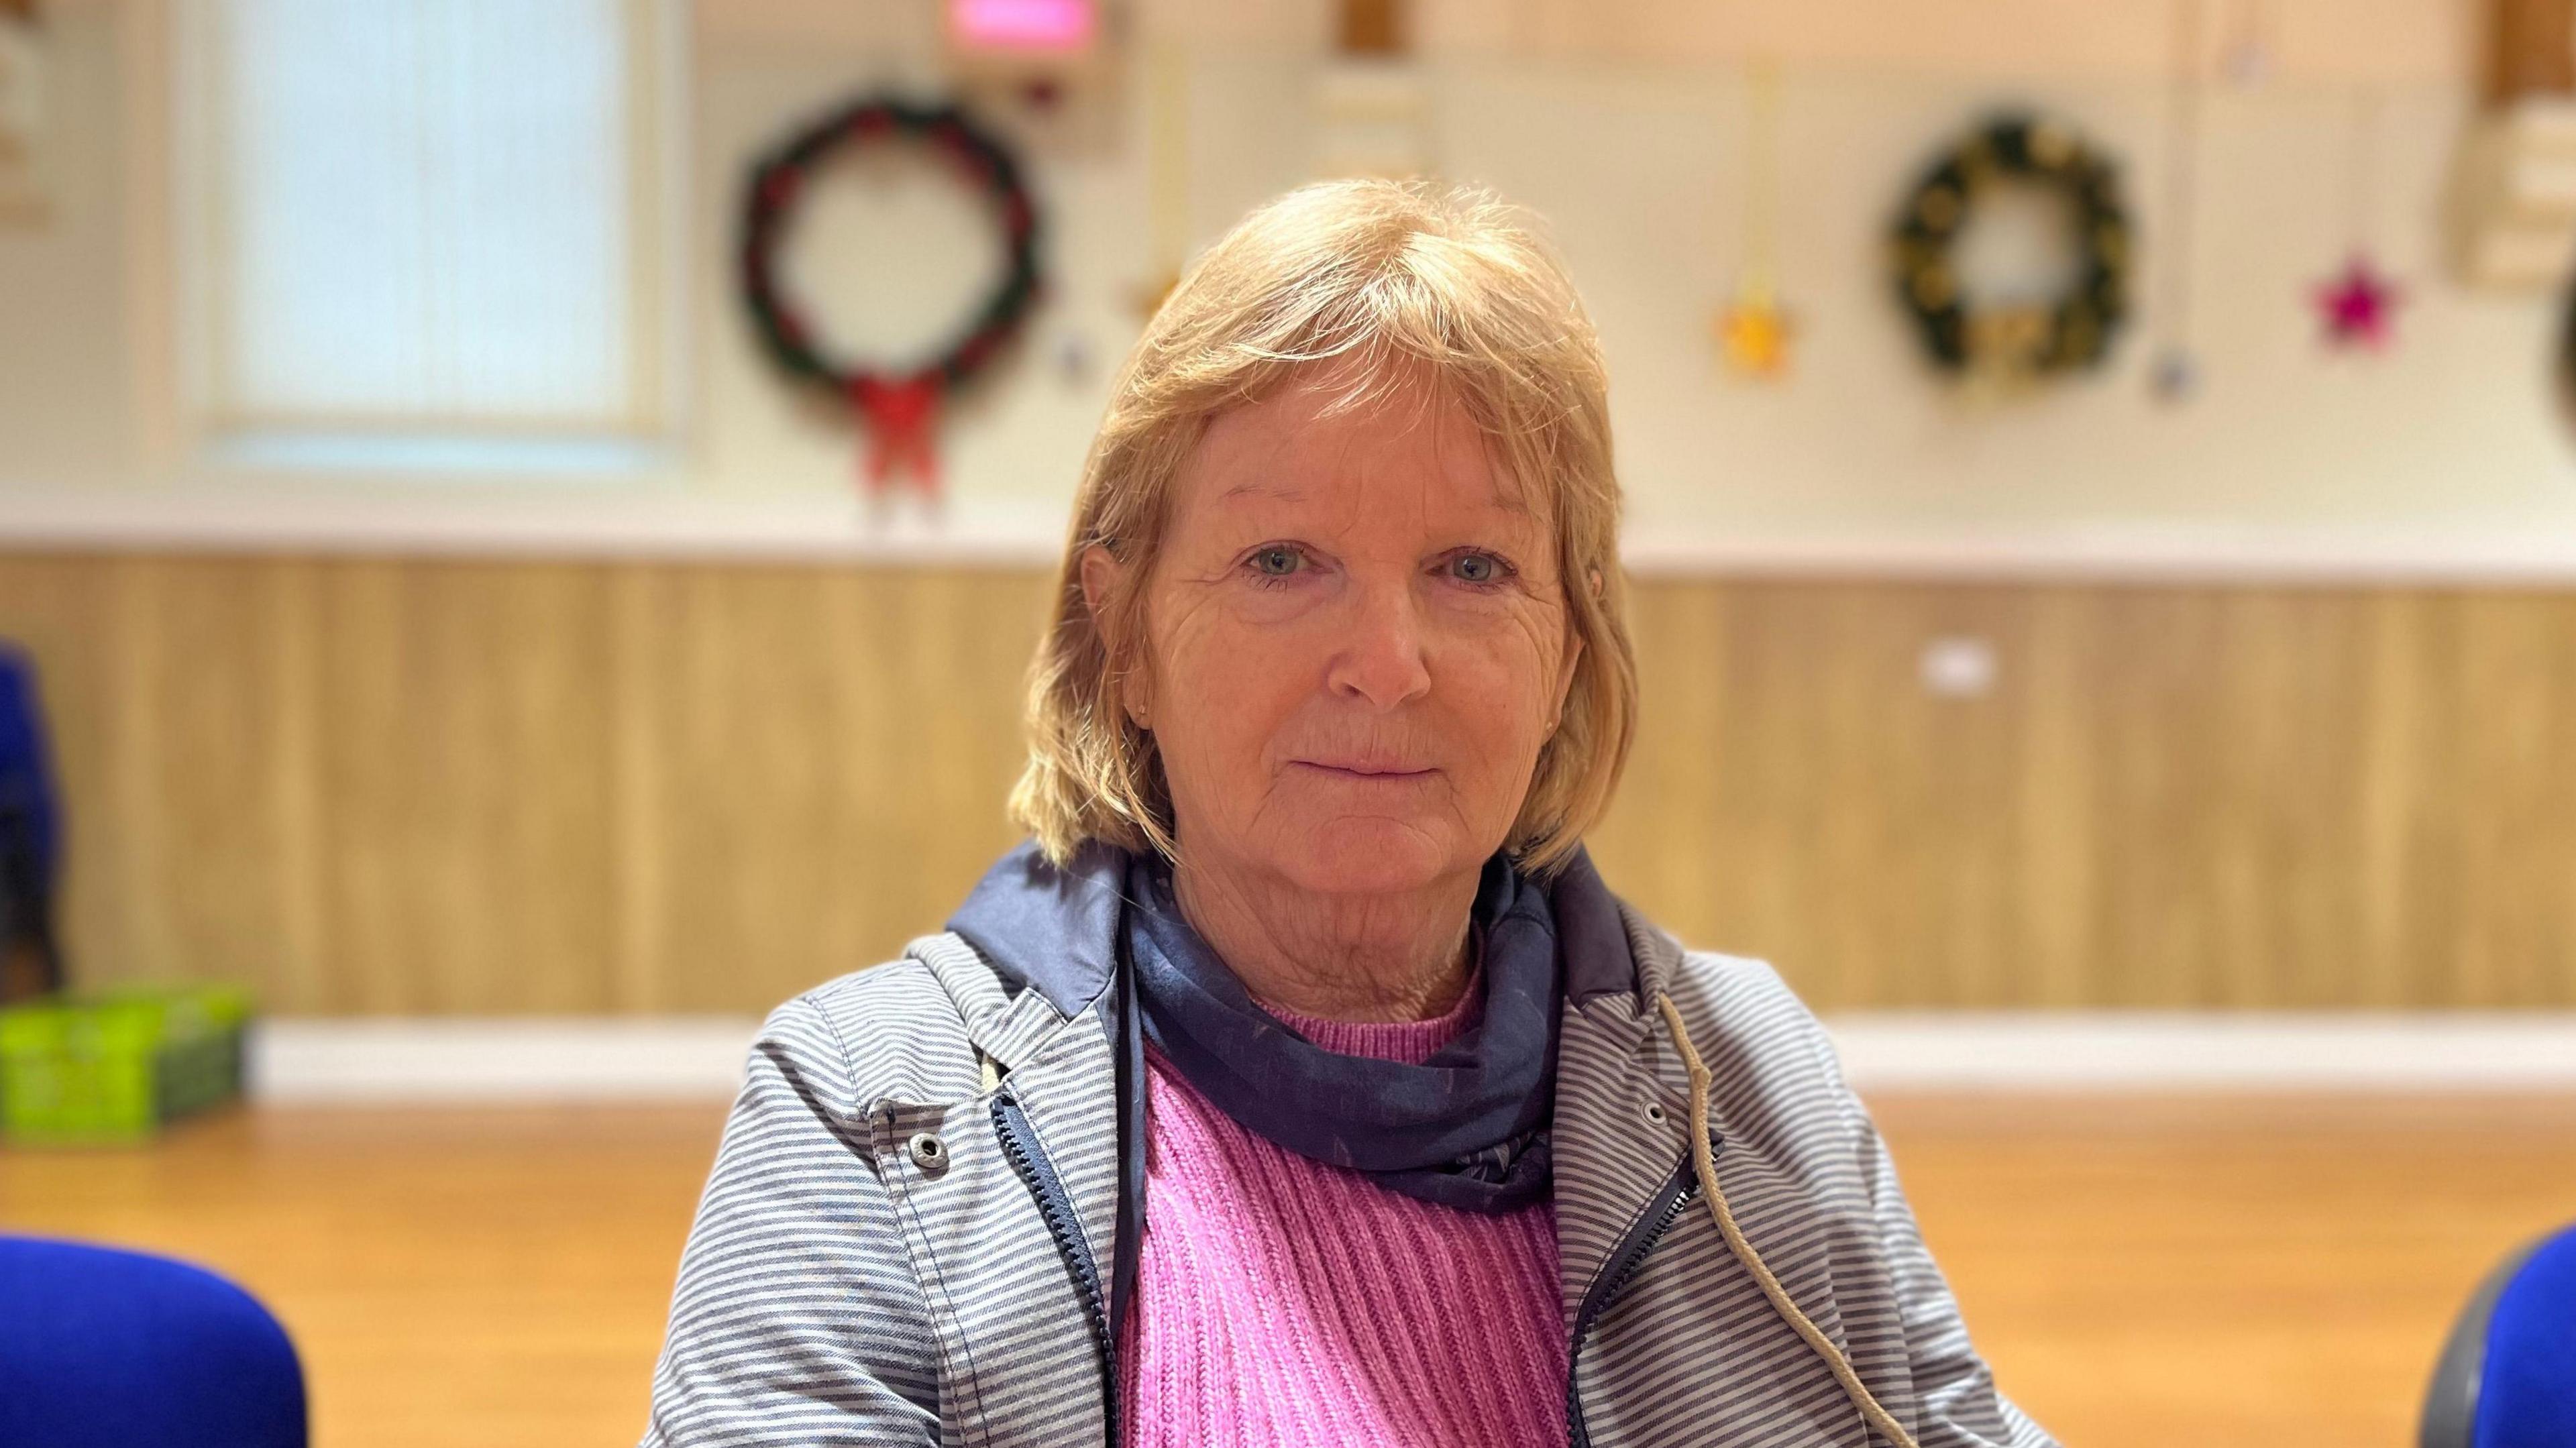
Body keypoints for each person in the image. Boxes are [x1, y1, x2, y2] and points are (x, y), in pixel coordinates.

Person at [641, 179, 2054, 1448]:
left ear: (1568, 651)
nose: (1387, 662)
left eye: (1473, 568)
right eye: (1280, 559)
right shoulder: (868, 1111)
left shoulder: (1747, 1076)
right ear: (1122, 631)